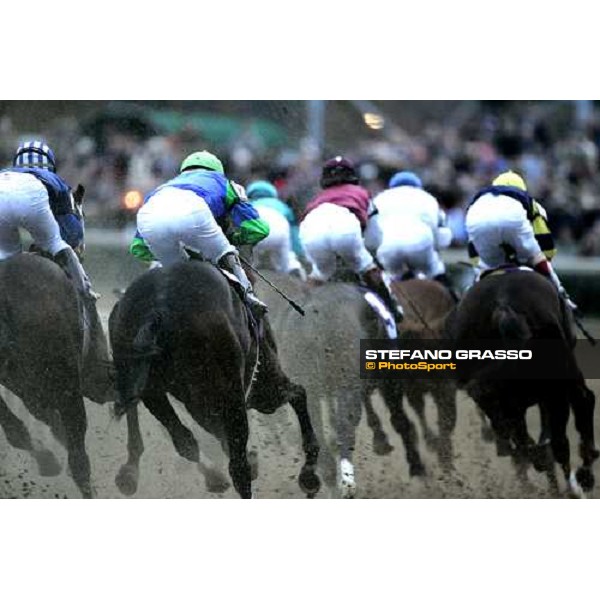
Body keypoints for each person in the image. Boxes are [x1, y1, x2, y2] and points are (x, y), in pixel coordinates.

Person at [130, 150, 270, 318]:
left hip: (149, 216)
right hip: (194, 210)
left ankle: (159, 312)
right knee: (225, 252)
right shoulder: (225, 183)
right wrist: (232, 239)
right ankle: (248, 296)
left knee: (176, 275)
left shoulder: (161, 188)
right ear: (217, 171)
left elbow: (138, 248)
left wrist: (177, 252)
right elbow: (259, 229)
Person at [299, 155, 403, 323]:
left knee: (320, 274)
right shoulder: (362, 193)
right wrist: (370, 260)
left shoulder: (317, 199)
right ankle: (392, 311)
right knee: (368, 268)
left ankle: (300, 311)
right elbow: (374, 239)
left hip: (312, 226)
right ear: (352, 175)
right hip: (344, 228)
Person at [465, 170, 576, 309]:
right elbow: (546, 246)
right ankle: (563, 298)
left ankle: (466, 303)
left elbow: (473, 252)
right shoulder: (527, 200)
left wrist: (481, 266)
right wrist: (538, 259)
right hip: (513, 217)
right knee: (538, 257)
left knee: (482, 270)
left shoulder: (482, 199)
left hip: (475, 216)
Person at [0, 140, 96, 300]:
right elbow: (72, 234)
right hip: (33, 193)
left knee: (6, 255)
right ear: (49, 164)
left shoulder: (5, 172)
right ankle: (85, 291)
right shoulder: (53, 179)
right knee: (56, 244)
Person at [364, 171, 454, 294]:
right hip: (420, 244)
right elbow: (443, 237)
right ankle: (455, 305)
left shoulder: (380, 198)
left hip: (388, 247)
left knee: (388, 281)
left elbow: (371, 235)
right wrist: (435, 250)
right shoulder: (427, 198)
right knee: (436, 271)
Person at [246, 180, 306, 279]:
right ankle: (294, 269)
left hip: (255, 234)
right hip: (279, 230)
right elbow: (293, 233)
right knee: (286, 260)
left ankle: (248, 274)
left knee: (248, 258)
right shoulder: (282, 206)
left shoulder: (248, 205)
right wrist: (299, 251)